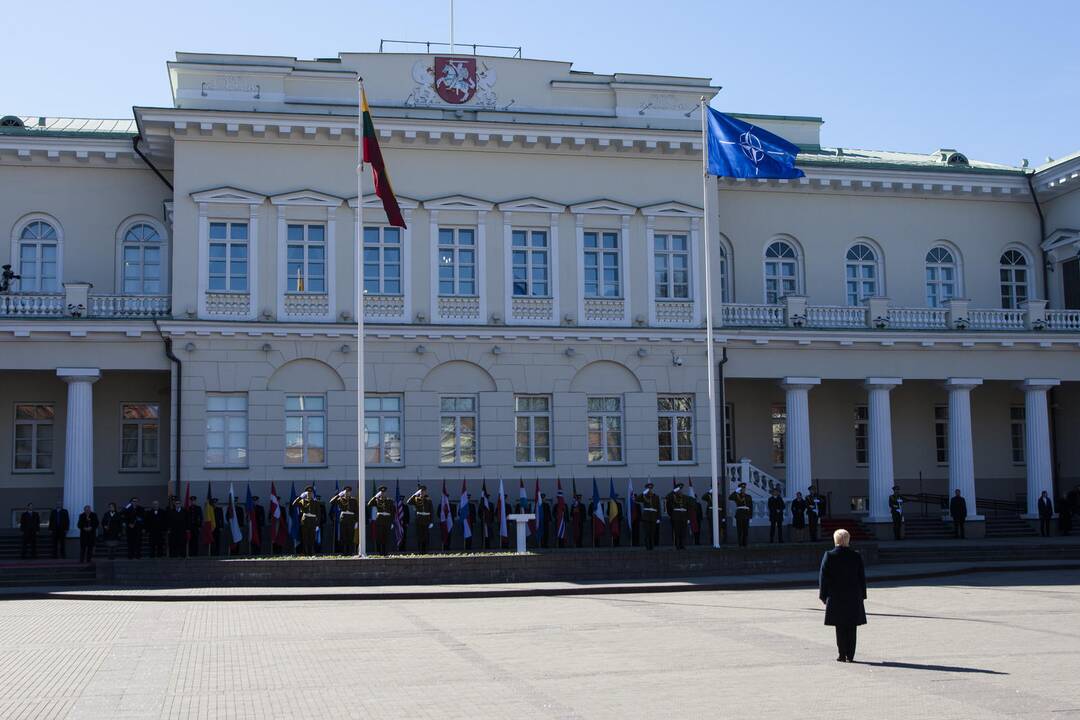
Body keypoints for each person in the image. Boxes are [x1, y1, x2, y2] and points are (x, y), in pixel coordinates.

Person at [818, 528, 867, 663]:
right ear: (848, 540)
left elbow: (823, 578)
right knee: (852, 626)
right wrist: (863, 595)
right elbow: (861, 577)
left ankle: (841, 654)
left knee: (840, 626)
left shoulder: (829, 555)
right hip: (853, 596)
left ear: (835, 540)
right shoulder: (855, 555)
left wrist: (823, 595)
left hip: (836, 596)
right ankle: (850, 655)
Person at [330, 486, 360, 555]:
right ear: (344, 492)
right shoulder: (340, 499)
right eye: (346, 492)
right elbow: (331, 502)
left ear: (350, 492)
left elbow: (357, 512)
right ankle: (344, 552)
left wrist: (356, 522)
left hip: (351, 520)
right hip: (343, 519)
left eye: (348, 492)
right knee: (343, 536)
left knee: (350, 536)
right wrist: (338, 495)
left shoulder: (353, 500)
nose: (347, 493)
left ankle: (350, 552)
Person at [368, 485, 395, 556]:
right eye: (381, 492)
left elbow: (393, 512)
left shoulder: (390, 501)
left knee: (386, 537)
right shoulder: (377, 500)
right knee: (380, 537)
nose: (383, 494)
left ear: (386, 493)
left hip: (387, 520)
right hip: (379, 520)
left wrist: (392, 522)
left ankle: (386, 552)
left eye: (384, 492)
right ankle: (380, 552)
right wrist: (375, 497)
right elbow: (369, 504)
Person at [292, 487, 319, 556]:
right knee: (305, 537)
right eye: (308, 493)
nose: (309, 494)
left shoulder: (316, 502)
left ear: (313, 494)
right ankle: (305, 552)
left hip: (313, 521)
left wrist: (317, 524)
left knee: (312, 537)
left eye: (311, 493)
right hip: (305, 520)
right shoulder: (302, 501)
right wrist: (300, 497)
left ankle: (311, 553)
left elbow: (318, 514)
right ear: (305, 494)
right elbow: (294, 504)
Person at [408, 486, 434, 554]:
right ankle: (420, 551)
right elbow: (408, 502)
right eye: (421, 491)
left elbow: (431, 511)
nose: (422, 492)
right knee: (419, 536)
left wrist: (431, 521)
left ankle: (426, 551)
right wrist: (415, 494)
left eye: (424, 491)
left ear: (426, 492)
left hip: (426, 520)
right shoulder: (416, 499)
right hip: (419, 520)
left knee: (426, 536)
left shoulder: (429, 500)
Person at [666, 483, 690, 550]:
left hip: (684, 517)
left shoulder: (685, 497)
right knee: (677, 532)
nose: (680, 491)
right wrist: (673, 491)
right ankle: (677, 545)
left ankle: (683, 545)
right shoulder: (672, 497)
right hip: (675, 517)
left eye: (681, 489)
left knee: (683, 532)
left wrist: (688, 518)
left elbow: (688, 508)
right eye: (678, 489)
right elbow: (667, 497)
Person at [729, 482, 753, 548]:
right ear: (739, 489)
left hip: (746, 515)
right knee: (739, 530)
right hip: (739, 514)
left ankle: (745, 544)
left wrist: (751, 516)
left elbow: (751, 506)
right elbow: (730, 497)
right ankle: (740, 544)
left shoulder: (748, 496)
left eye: (744, 488)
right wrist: (735, 491)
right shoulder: (737, 496)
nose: (743, 489)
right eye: (741, 488)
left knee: (746, 531)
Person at [639, 483, 661, 550]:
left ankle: (652, 546)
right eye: (648, 489)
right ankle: (647, 547)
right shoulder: (644, 496)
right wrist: (644, 492)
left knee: (652, 533)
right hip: (646, 517)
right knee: (647, 533)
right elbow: (637, 499)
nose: (650, 490)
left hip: (653, 517)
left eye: (651, 488)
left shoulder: (656, 497)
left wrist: (658, 517)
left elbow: (658, 508)